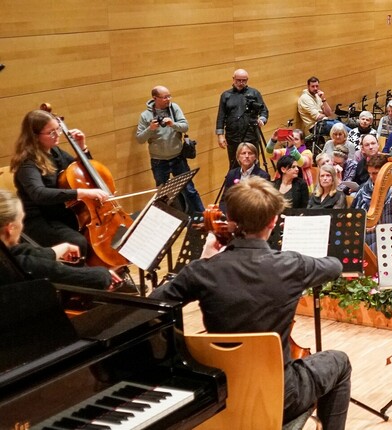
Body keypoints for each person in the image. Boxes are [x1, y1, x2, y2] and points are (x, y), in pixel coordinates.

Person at [151, 177, 349, 429]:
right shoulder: (292, 265)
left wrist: (203, 260)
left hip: (219, 393)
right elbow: (335, 266)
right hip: (279, 396)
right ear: (273, 221)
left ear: (231, 219)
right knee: (338, 361)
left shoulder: (203, 271)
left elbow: (153, 304)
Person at [11, 109, 110, 255]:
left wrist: (82, 148)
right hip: (39, 219)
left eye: (58, 129)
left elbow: (82, 171)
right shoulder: (27, 163)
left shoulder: (55, 151)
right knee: (79, 242)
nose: (57, 134)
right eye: (51, 132)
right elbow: (39, 194)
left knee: (103, 232)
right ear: (34, 136)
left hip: (61, 213)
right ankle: (78, 276)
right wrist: (81, 193)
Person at [0, 189, 114, 289]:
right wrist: (105, 274)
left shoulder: (5, 255)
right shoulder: (16, 266)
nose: (22, 225)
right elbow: (97, 278)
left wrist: (56, 251)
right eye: (21, 219)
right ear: (10, 228)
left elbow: (16, 251)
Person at [135, 85, 204, 215]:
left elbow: (185, 127)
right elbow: (139, 139)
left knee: (189, 190)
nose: (168, 99)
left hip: (178, 158)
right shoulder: (145, 115)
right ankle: (165, 222)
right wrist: (150, 129)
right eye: (165, 97)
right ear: (155, 98)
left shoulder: (174, 108)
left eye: (169, 96)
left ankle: (202, 217)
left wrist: (173, 124)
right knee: (163, 196)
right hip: (159, 161)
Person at [216, 69, 268, 169]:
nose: (241, 83)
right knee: (234, 164)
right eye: (238, 80)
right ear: (233, 79)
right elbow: (221, 116)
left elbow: (264, 111)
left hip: (251, 135)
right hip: (233, 136)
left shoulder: (254, 93)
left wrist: (262, 119)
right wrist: (220, 135)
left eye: (244, 80)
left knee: (254, 164)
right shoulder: (225, 95)